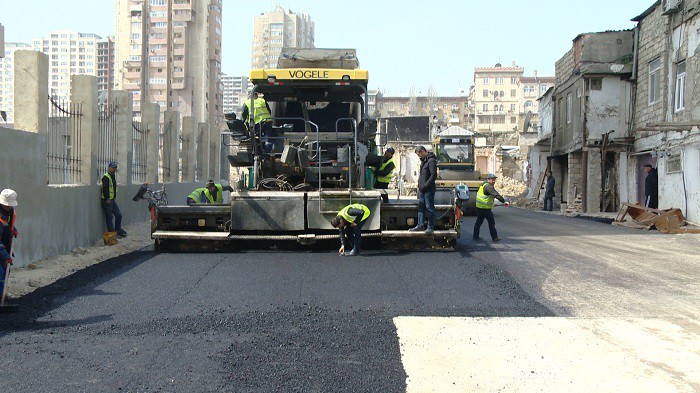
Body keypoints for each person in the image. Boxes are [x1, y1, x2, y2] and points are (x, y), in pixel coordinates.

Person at [409, 146, 437, 234]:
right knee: (421, 208)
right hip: (422, 189)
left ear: (423, 151)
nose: (419, 156)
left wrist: (426, 185)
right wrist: (420, 185)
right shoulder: (423, 161)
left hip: (428, 189)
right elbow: (422, 175)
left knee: (429, 208)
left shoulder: (431, 161)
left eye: (419, 154)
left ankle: (430, 227)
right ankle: (420, 225)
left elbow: (433, 175)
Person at [473, 173, 509, 242]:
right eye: (492, 180)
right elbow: (496, 195)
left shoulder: (483, 185)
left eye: (494, 179)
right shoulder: (489, 187)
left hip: (480, 207)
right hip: (485, 209)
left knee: (478, 222)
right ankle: (494, 237)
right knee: (491, 223)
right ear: (488, 180)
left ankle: (475, 236)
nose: (494, 181)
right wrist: (504, 201)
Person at [101, 162, 127, 238]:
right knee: (109, 217)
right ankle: (112, 234)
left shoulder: (112, 176)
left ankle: (118, 231)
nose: (114, 169)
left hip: (112, 200)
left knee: (119, 215)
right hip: (107, 200)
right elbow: (105, 188)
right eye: (112, 168)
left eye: (115, 168)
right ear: (109, 168)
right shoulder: (106, 177)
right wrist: (107, 198)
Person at [0, 189, 18, 298]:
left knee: (5, 270)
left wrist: (13, 229)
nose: (9, 207)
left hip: (4, 246)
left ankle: (2, 293)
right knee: (1, 272)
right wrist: (6, 257)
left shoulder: (9, 211)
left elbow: (8, 223)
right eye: (7, 205)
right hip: (1, 247)